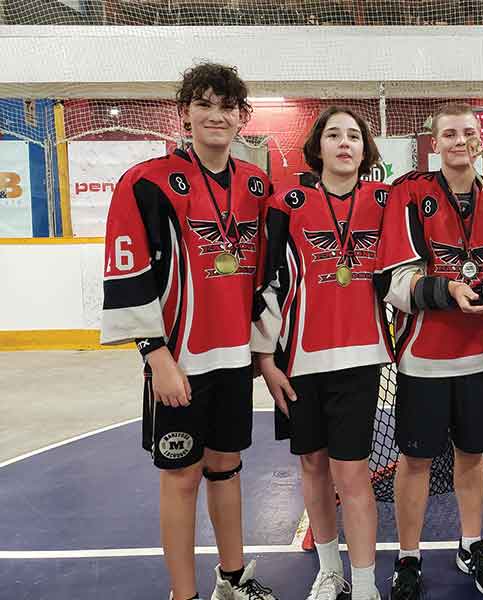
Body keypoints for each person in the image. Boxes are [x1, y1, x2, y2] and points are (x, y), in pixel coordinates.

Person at [100, 62, 277, 600]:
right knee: (181, 477)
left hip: (233, 359)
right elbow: (128, 271)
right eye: (204, 104)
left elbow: (268, 274)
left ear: (242, 118)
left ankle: (232, 578)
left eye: (227, 107)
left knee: (227, 467)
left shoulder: (256, 185)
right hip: (179, 361)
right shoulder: (146, 182)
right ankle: (184, 595)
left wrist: (261, 352)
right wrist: (156, 355)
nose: (216, 116)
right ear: (185, 113)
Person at [375, 102, 483, 599]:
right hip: (425, 355)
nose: (461, 141)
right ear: (434, 143)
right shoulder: (410, 194)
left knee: (473, 453)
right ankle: (409, 556)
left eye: (469, 133)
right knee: (415, 460)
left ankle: (471, 545)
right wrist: (451, 291)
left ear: (481, 140)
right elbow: (395, 280)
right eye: (450, 134)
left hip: (482, 352)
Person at [252, 106, 391, 600]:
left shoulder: (385, 201)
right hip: (298, 360)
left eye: (354, 135)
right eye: (334, 134)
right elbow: (268, 282)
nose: (344, 143)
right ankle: (330, 569)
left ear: (365, 149)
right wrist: (265, 359)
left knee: (352, 472)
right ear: (318, 147)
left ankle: (368, 582)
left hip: (359, 359)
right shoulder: (288, 203)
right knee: (312, 465)